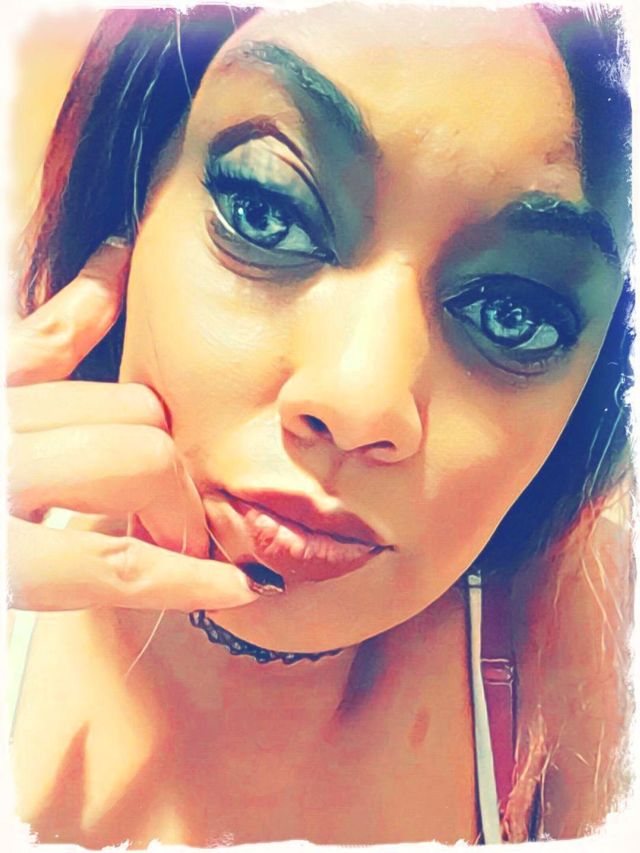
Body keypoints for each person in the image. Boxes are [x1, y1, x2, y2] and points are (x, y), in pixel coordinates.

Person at [7, 2, 634, 846]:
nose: (359, 400)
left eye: (513, 314)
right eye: (268, 210)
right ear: (134, 205)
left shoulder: (579, 628)